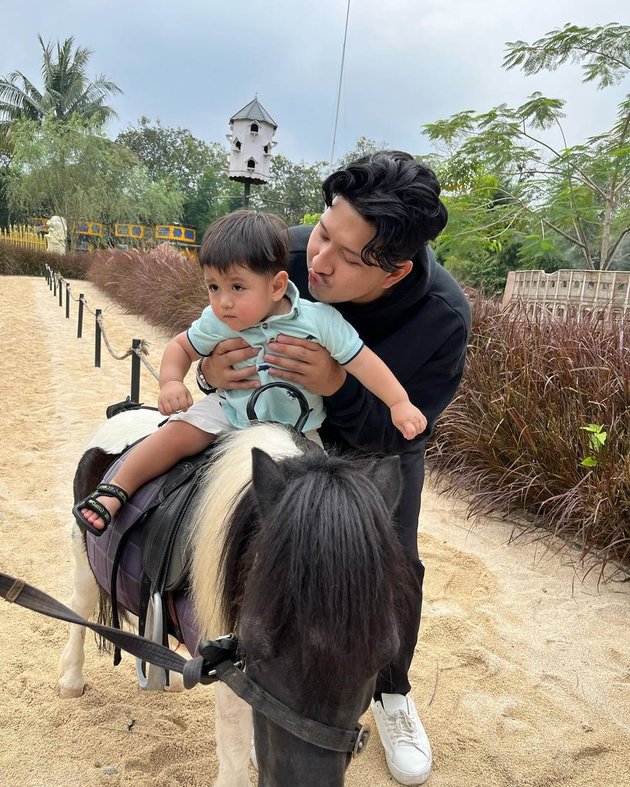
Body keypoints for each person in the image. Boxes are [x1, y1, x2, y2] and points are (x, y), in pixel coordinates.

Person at [196, 151, 472, 786]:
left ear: (397, 269)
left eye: (348, 257)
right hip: (280, 428)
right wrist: (210, 372)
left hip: (377, 450)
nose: (317, 260)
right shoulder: (282, 256)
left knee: (392, 565)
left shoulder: (442, 318)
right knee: (231, 526)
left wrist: (339, 384)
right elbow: (220, 330)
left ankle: (394, 694)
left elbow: (397, 428)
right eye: (323, 232)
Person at [73, 209, 427, 535]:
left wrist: (399, 402)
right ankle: (117, 488)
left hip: (299, 429)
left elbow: (363, 362)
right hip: (230, 409)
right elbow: (182, 346)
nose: (223, 301)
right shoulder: (219, 320)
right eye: (213, 286)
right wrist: (170, 381)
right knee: (176, 435)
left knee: (320, 492)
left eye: (237, 287)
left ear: (275, 286)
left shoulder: (320, 321)